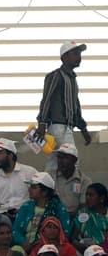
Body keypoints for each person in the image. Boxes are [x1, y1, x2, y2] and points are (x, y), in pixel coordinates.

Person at [37, 41, 93, 172]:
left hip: (66, 127)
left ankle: (48, 190)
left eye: (79, 53)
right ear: (64, 57)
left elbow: (75, 105)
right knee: (72, 160)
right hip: (58, 127)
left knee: (54, 162)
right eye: (75, 53)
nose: (79, 56)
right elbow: (46, 100)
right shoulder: (55, 75)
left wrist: (83, 128)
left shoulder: (72, 79)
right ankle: (72, 191)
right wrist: (42, 123)